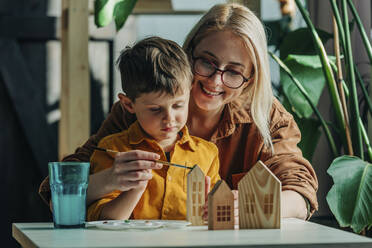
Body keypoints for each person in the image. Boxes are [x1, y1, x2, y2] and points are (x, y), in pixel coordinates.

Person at [39, 3, 318, 220]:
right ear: (188, 53)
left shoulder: (267, 118)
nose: (214, 81)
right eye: (207, 63)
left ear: (252, 77)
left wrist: (249, 207)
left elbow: (301, 195)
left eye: (233, 72)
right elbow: (57, 191)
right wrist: (107, 180)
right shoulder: (137, 109)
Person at [87, 36, 220, 221]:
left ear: (190, 92)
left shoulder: (208, 154)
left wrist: (214, 210)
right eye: (155, 109)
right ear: (128, 104)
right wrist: (135, 189)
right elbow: (102, 221)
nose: (169, 119)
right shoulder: (114, 151)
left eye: (178, 105)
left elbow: (216, 216)